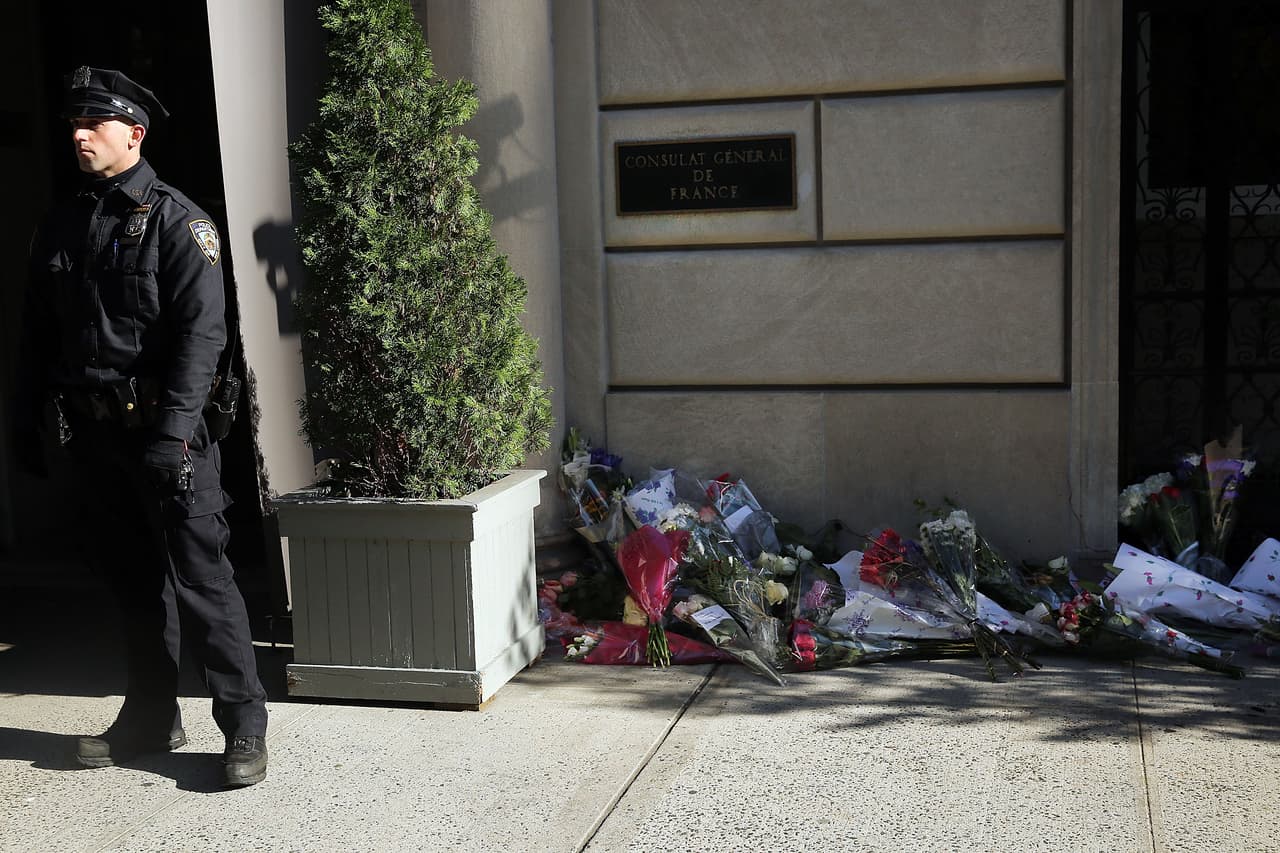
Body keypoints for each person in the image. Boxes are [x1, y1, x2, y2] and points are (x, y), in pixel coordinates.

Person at [13, 67, 268, 787]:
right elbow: (35, 335)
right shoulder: (61, 224)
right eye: (73, 123)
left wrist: (173, 435)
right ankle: (151, 715)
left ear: (136, 132)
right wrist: (23, 422)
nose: (78, 134)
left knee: (203, 582)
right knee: (132, 584)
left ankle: (244, 724)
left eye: (94, 123)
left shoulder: (178, 222)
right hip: (97, 441)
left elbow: (203, 337)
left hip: (170, 438)